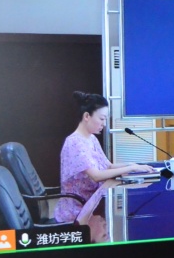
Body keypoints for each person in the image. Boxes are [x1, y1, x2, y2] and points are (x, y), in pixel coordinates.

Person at [59, 91, 153, 241]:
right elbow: (96, 176)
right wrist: (131, 169)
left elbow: (108, 166)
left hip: (94, 201)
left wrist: (133, 165)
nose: (104, 124)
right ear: (87, 116)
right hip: (79, 209)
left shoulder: (91, 138)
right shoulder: (74, 142)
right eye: (102, 119)